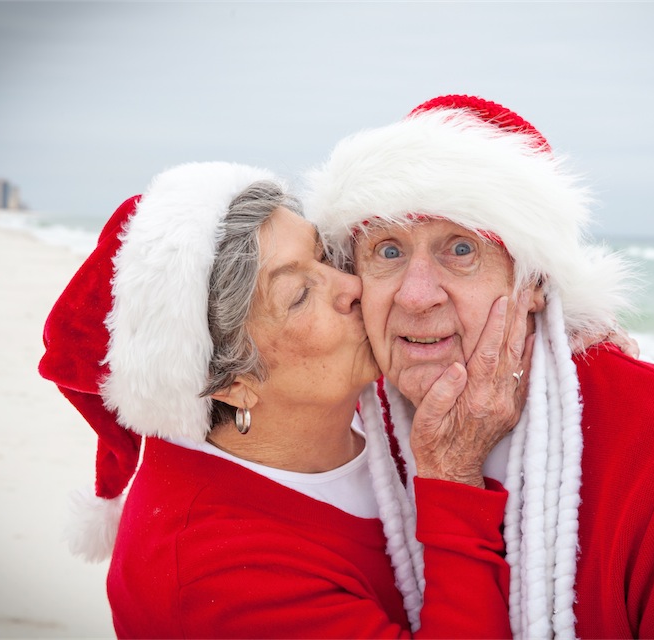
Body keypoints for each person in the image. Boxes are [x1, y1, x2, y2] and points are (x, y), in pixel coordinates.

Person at [306, 95, 654, 639]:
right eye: (387, 251)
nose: (415, 297)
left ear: (534, 280)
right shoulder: (337, 434)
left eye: (460, 249)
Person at [38, 161, 530, 638]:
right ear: (231, 382)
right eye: (299, 294)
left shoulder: (347, 405)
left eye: (324, 256)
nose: (354, 286)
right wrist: (450, 475)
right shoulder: (215, 573)